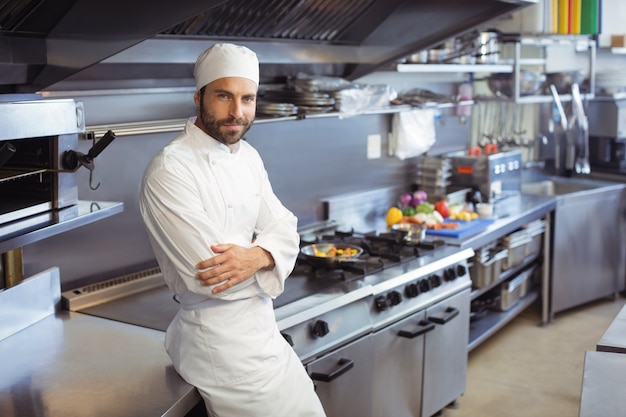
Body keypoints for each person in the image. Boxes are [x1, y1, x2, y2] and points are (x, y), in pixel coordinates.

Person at [139, 43, 326, 417]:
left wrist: (259, 255)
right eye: (224, 96)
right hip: (218, 347)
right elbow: (210, 276)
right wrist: (272, 258)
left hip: (264, 335)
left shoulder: (248, 156)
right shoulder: (170, 170)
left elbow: (286, 226)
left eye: (247, 99)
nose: (237, 112)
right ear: (199, 97)